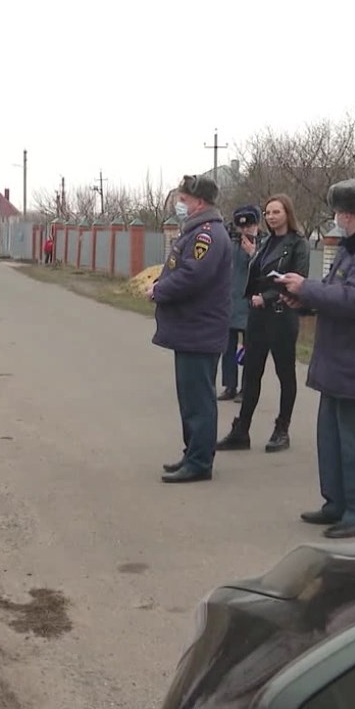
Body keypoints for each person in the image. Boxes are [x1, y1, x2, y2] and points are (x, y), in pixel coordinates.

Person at [274, 179, 355, 539]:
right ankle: (336, 503)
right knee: (332, 440)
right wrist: (304, 300)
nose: (336, 220)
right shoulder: (354, 248)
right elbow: (336, 294)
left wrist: (307, 288)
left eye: (337, 213)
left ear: (347, 215)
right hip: (340, 362)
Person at [149, 174, 232, 483]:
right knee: (191, 396)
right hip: (192, 328)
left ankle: (199, 461)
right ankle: (193, 452)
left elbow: (193, 276)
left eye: (183, 200)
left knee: (199, 399)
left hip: (199, 329)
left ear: (199, 202)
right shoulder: (198, 231)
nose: (178, 204)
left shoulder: (206, 235)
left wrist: (160, 291)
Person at [217, 194, 311, 453]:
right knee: (250, 373)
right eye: (268, 212)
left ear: (287, 214)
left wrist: (266, 297)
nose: (271, 216)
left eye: (276, 212)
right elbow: (256, 274)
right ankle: (241, 430)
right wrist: (252, 296)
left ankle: (282, 429)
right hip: (256, 316)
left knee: (285, 374)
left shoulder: (297, 244)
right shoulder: (267, 242)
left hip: (282, 315)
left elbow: (298, 280)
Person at [218, 205, 259, 402]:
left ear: (256, 224)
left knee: (250, 350)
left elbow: (266, 270)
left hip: (251, 305)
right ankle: (230, 386)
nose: (244, 230)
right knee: (227, 349)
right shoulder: (230, 243)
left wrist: (253, 253)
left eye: (249, 225)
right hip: (230, 303)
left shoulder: (264, 244)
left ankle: (246, 388)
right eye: (241, 226)